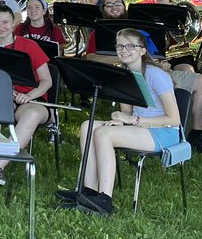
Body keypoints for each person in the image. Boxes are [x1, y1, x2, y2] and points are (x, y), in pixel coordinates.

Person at [58, 27, 183, 216]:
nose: (124, 50)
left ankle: (104, 200)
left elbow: (174, 119)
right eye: (120, 46)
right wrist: (122, 120)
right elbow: (127, 112)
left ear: (142, 50)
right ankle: (88, 191)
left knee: (104, 134)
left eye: (131, 46)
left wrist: (133, 120)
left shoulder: (155, 75)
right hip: (142, 127)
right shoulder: (126, 73)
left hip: (166, 132)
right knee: (87, 126)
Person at [137, 0, 202, 153]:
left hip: (178, 54)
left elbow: (195, 29)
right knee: (168, 79)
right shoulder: (142, 9)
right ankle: (172, 125)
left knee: (188, 72)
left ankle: (192, 131)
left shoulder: (181, 9)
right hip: (152, 56)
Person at [0, 3, 52, 186]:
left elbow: (47, 81)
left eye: (5, 22)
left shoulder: (29, 45)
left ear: (13, 24)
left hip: (33, 100)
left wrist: (30, 95)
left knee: (32, 114)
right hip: (5, 100)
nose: (1, 27)